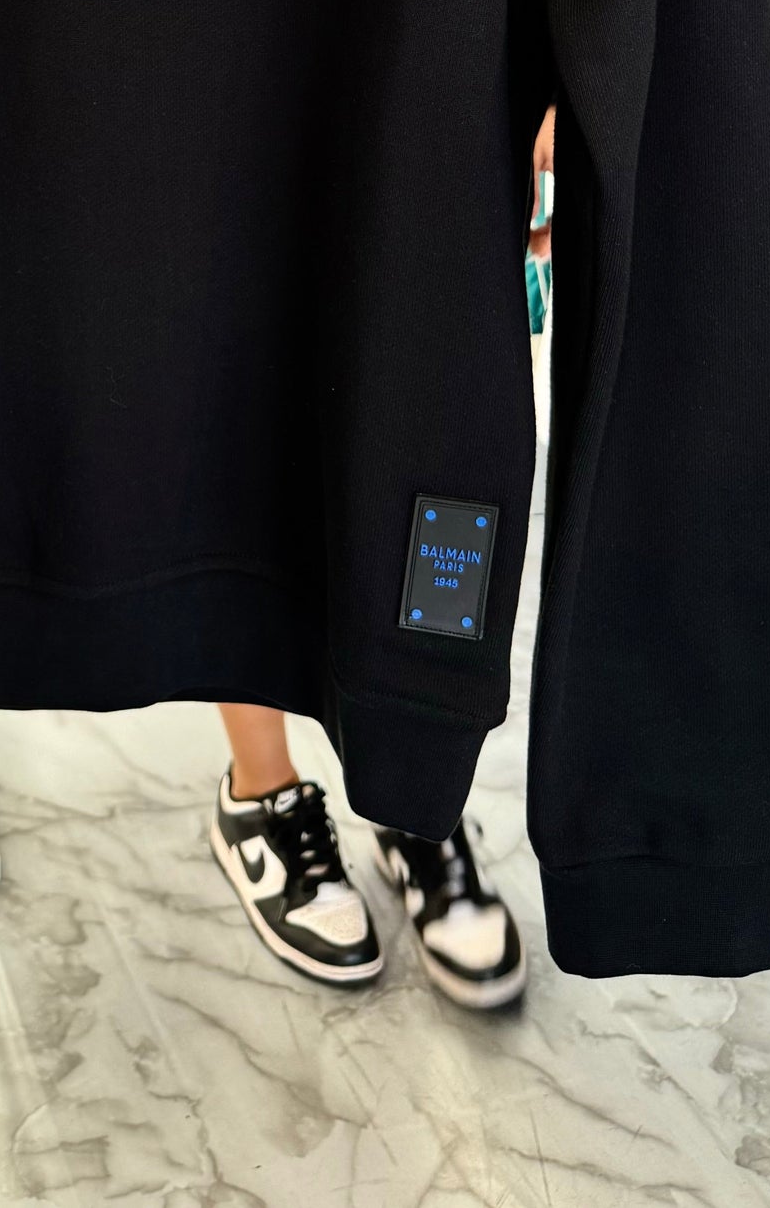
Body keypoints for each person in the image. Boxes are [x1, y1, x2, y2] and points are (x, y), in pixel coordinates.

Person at [205, 112, 554, 1007]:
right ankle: (261, 791)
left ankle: (413, 793)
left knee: (437, 450)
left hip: (438, 82)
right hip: (241, 73)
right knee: (247, 413)